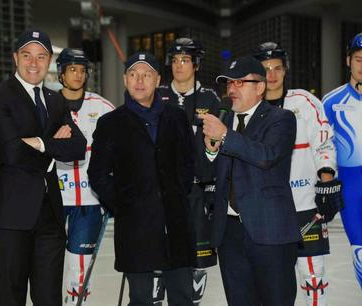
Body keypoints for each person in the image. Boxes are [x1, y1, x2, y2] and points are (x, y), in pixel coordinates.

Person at [0, 29, 87, 306]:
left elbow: (77, 147)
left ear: (49, 61)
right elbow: (11, 151)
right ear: (15, 58)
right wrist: (52, 147)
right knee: (10, 296)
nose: (34, 63)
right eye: (27, 55)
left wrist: (39, 142)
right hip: (10, 216)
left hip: (50, 214)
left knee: (50, 298)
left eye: (41, 56)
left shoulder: (55, 100)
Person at [88, 52, 195, 305]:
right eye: (133, 74)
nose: (139, 81)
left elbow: (188, 163)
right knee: (140, 298)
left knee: (182, 296)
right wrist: (124, 205)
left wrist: (176, 194)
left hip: (175, 223)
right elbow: (98, 174)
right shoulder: (110, 123)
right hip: (136, 227)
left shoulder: (177, 117)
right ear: (125, 79)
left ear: (157, 79)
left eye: (146, 74)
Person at [199, 55, 300, 306]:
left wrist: (225, 136)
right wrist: (210, 152)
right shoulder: (223, 119)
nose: (232, 89)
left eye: (239, 83)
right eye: (229, 84)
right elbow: (206, 171)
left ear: (260, 87)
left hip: (270, 232)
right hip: (230, 233)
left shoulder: (281, 118)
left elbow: (267, 156)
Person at [253, 41, 342, 306]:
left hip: (305, 206)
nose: (271, 74)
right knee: (273, 282)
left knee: (312, 275)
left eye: (277, 68)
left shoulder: (303, 101)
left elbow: (324, 142)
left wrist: (327, 183)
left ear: (285, 70)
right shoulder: (250, 108)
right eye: (265, 68)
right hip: (267, 210)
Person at [158, 37, 219, 305]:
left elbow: (218, 146)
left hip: (197, 190)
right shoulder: (157, 95)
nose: (179, 65)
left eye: (185, 60)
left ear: (196, 64)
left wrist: (212, 182)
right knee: (159, 255)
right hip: (163, 190)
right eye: (174, 60)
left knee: (196, 263)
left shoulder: (210, 98)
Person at [55, 48, 115, 305]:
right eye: (72, 69)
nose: (78, 75)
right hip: (54, 201)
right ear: (61, 73)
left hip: (89, 203)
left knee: (80, 269)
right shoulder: (47, 103)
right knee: (49, 266)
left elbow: (119, 149)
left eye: (82, 70)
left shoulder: (102, 107)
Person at [322, 32, 362, 300]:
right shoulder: (330, 101)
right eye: (359, 59)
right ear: (348, 60)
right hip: (351, 190)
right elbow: (321, 148)